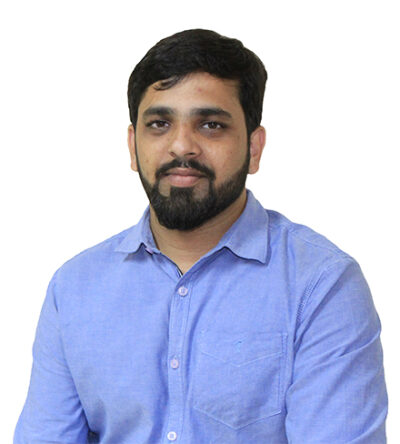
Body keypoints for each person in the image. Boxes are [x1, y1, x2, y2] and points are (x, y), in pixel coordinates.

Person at [14, 29, 388, 443]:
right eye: (159, 124)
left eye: (211, 125)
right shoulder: (74, 288)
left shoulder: (321, 285)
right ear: (133, 146)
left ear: (254, 147)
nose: (181, 146)